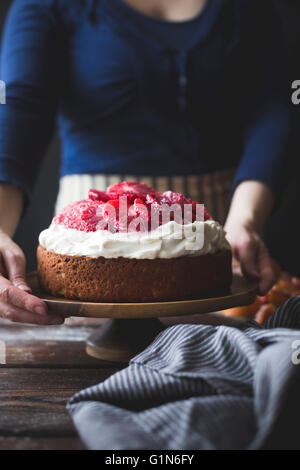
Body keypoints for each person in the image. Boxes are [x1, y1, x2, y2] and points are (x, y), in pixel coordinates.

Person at [0, 0, 292, 325]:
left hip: (220, 241)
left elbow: (275, 108)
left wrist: (245, 222)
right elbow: (19, 105)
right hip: (87, 246)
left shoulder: (248, 9)